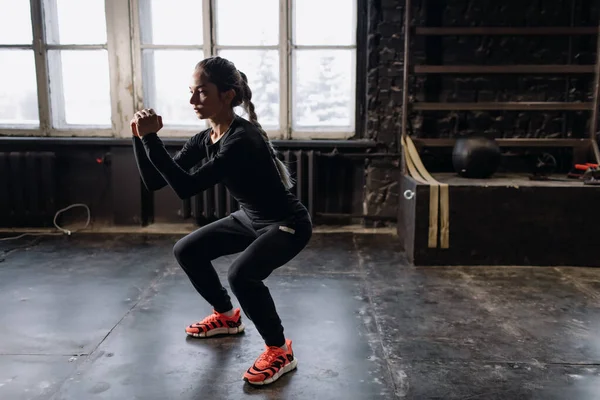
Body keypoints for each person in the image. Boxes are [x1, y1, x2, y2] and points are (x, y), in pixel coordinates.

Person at [130, 56, 312, 386]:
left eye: (202, 92)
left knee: (242, 275)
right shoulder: (207, 137)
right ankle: (227, 317)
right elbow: (156, 182)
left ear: (227, 95)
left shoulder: (242, 138)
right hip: (250, 219)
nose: (192, 101)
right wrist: (139, 138)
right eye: (191, 92)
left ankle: (279, 349)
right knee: (187, 250)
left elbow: (185, 187)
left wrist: (151, 138)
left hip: (287, 224)